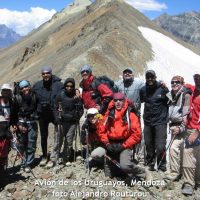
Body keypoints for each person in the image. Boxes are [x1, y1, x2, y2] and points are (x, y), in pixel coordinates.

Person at [95, 92, 149, 180]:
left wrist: (123, 146)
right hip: (110, 144)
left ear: (124, 101)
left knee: (125, 166)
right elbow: (101, 130)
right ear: (113, 101)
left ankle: (142, 171)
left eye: (120, 100)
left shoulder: (130, 115)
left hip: (124, 144)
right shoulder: (109, 114)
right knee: (95, 155)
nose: (118, 102)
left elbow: (137, 134)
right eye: (116, 100)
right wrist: (107, 143)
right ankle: (112, 164)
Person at [47, 78, 84, 168]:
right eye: (67, 86)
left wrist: (77, 116)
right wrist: (56, 119)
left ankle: (65, 159)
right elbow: (55, 108)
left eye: (71, 86)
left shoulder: (76, 97)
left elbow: (81, 109)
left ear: (73, 86)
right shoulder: (60, 95)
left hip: (72, 123)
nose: (69, 88)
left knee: (69, 142)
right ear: (65, 86)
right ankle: (53, 160)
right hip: (61, 122)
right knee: (58, 142)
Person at [32, 66, 63, 167]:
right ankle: (44, 156)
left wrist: (76, 92)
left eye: (47, 73)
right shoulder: (37, 85)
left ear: (51, 73)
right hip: (42, 114)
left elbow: (66, 95)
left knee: (57, 135)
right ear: (42, 75)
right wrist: (35, 112)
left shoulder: (59, 85)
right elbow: (33, 100)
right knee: (43, 136)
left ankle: (55, 155)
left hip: (54, 113)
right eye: (43, 73)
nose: (45, 75)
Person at [140, 70, 169, 172]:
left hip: (160, 121)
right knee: (148, 144)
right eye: (148, 77)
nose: (150, 79)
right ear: (146, 78)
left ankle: (161, 166)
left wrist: (166, 88)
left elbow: (171, 101)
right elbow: (141, 101)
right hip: (148, 121)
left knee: (160, 146)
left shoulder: (162, 89)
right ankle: (150, 164)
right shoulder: (143, 90)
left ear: (155, 77)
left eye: (152, 77)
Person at [115, 67, 145, 163]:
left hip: (134, 113)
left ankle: (139, 157)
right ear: (122, 75)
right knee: (124, 134)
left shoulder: (139, 84)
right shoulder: (118, 84)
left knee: (137, 134)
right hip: (122, 114)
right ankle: (127, 155)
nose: (127, 74)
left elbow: (149, 86)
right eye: (125, 72)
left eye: (129, 72)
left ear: (133, 74)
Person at [164, 76, 191, 181]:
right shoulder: (172, 95)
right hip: (174, 125)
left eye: (177, 82)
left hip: (182, 127)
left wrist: (180, 128)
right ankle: (174, 170)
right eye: (172, 82)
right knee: (177, 149)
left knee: (173, 148)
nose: (174, 84)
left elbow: (186, 115)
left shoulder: (186, 96)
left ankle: (175, 173)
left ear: (182, 83)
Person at [13, 80, 39, 173]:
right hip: (21, 123)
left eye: (26, 86)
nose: (25, 89)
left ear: (29, 86)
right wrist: (17, 124)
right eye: (22, 88)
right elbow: (14, 113)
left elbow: (38, 107)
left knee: (31, 143)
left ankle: (28, 163)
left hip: (32, 122)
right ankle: (23, 163)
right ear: (20, 89)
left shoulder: (35, 96)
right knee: (21, 144)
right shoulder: (17, 98)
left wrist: (36, 115)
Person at [181, 73, 200, 195]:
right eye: (196, 80)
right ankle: (197, 179)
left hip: (196, 130)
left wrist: (197, 132)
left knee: (188, 152)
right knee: (196, 155)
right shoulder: (193, 90)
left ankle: (188, 184)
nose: (197, 82)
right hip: (190, 128)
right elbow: (185, 86)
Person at [0, 84, 15, 174]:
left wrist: (13, 125)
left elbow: (13, 116)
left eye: (7, 90)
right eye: (4, 90)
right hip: (1, 130)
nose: (6, 92)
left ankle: (3, 171)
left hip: (7, 131)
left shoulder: (11, 102)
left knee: (5, 151)